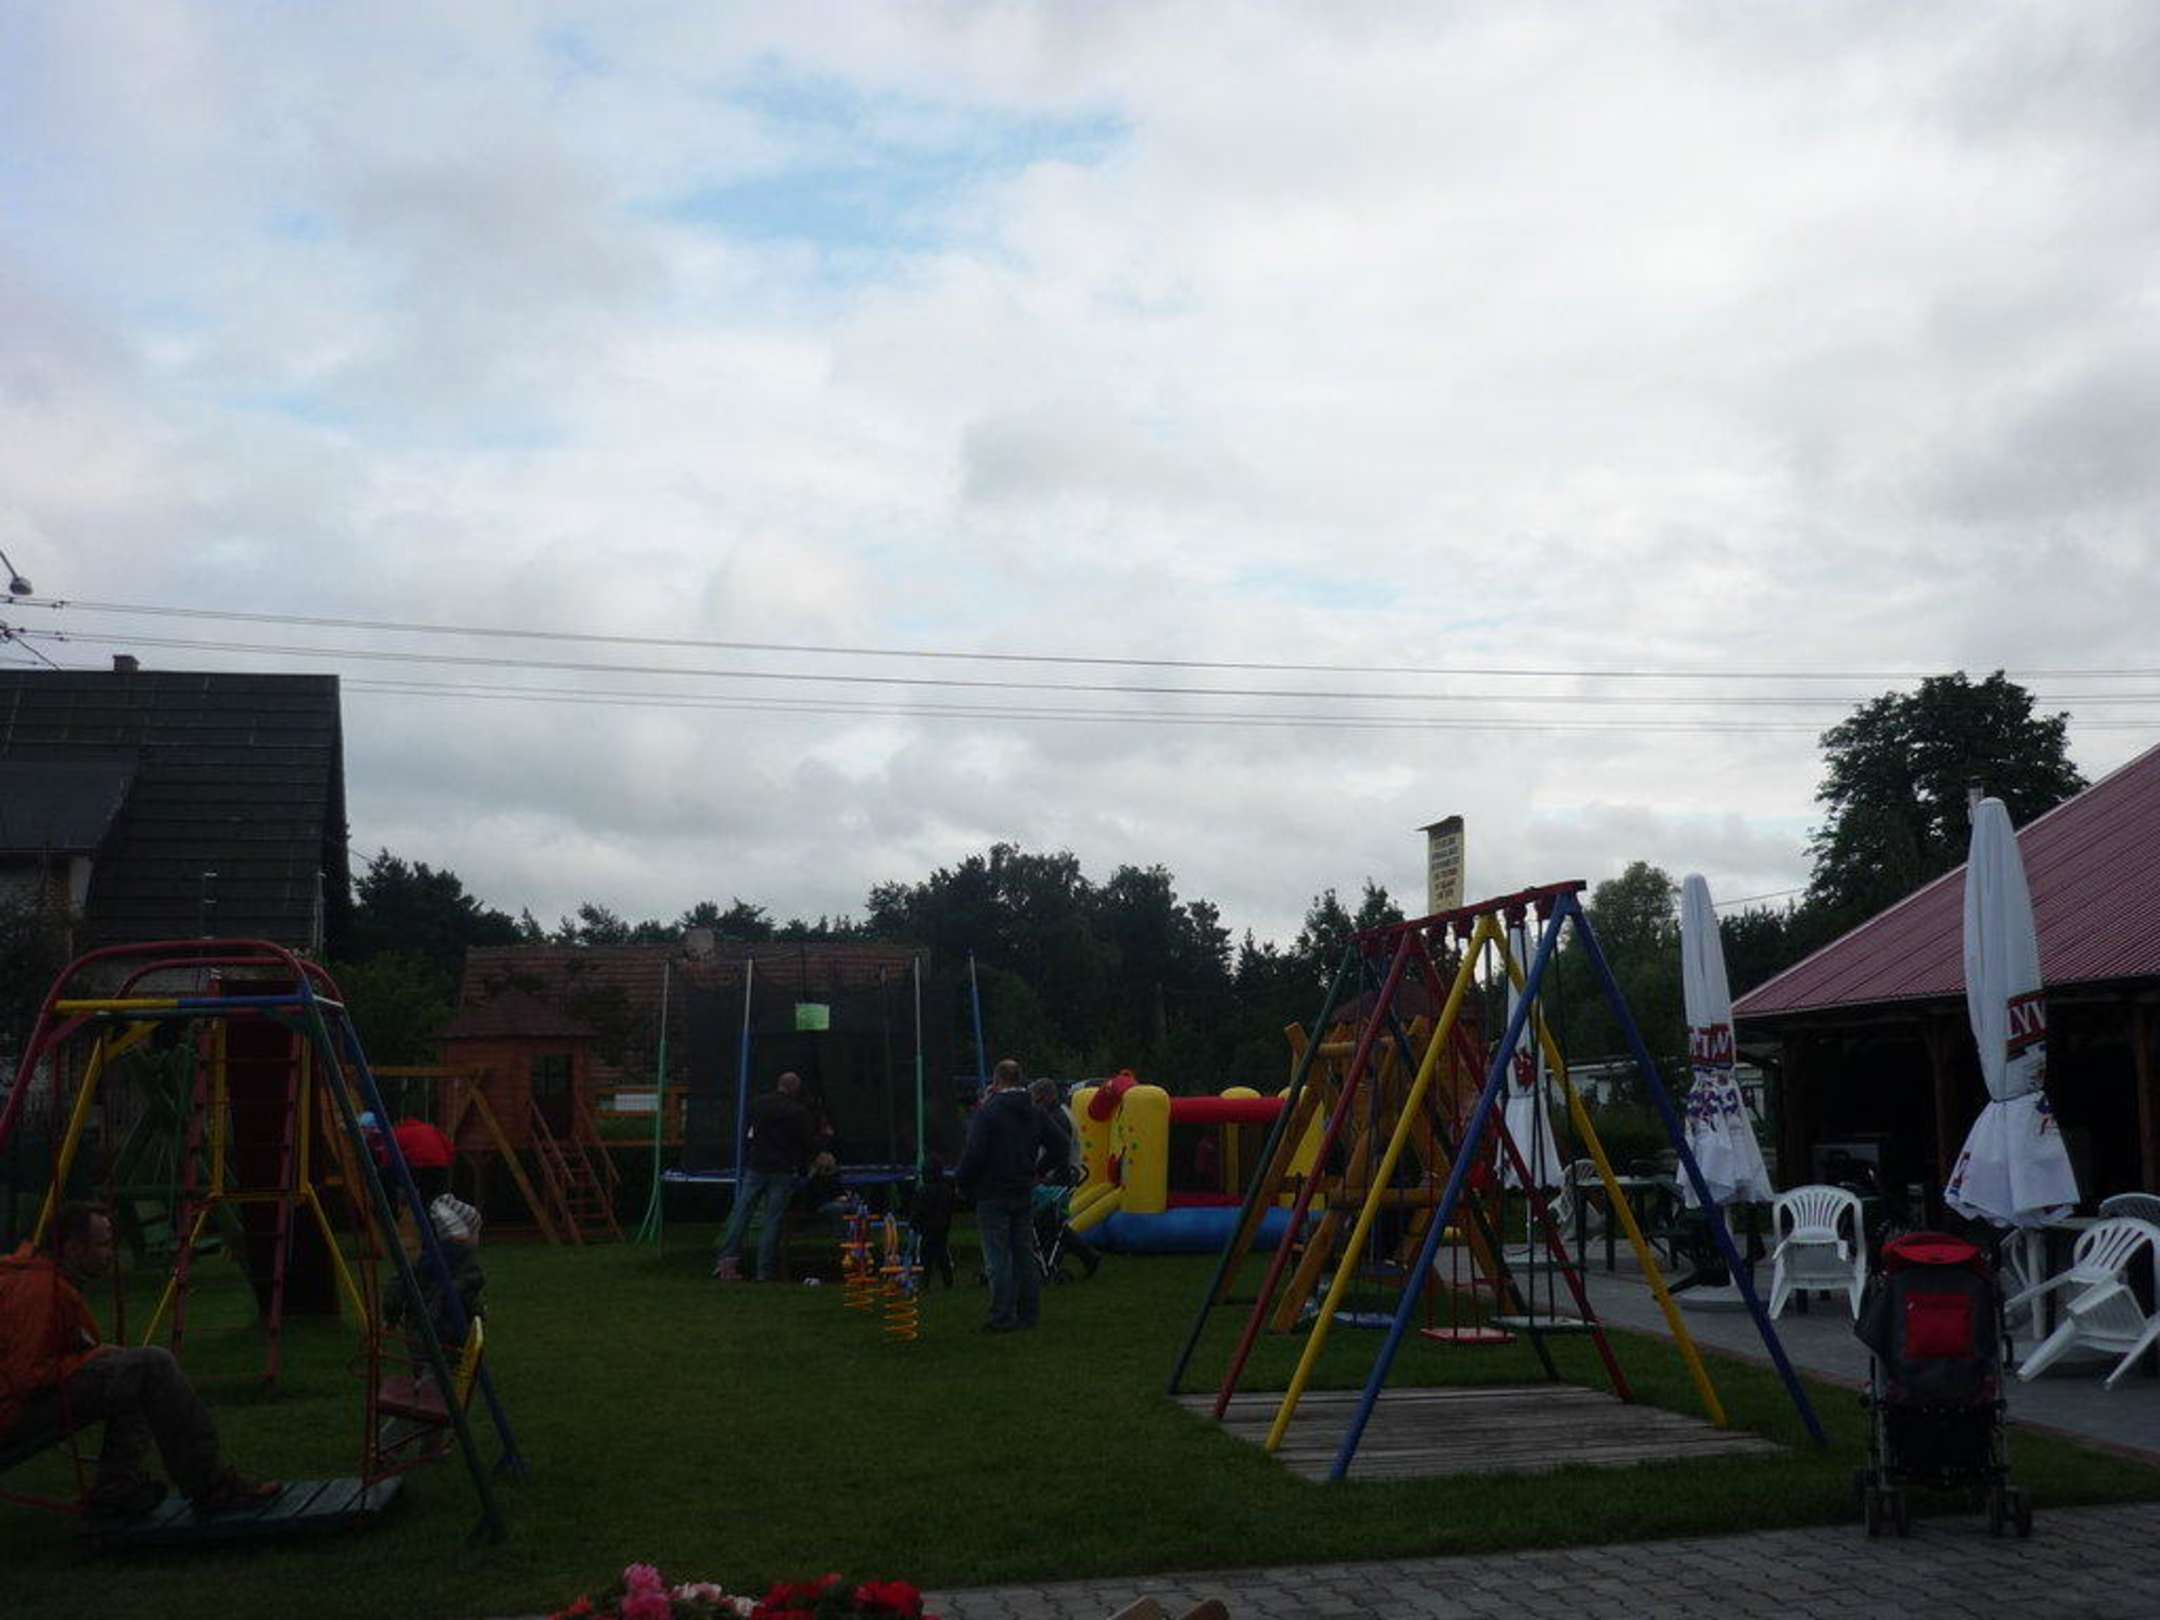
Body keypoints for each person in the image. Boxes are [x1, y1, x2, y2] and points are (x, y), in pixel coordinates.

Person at [0, 1202, 281, 1519]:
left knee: (130, 1373)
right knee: (150, 1366)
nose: (111, 1254)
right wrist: (93, 1358)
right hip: (11, 1415)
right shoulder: (38, 1291)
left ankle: (117, 1487)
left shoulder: (41, 1279)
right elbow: (26, 1377)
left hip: (16, 1406)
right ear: (74, 1249)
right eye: (104, 1245)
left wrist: (96, 1359)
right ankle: (211, 1486)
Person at [955, 1059, 1058, 1332]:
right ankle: (1029, 1314)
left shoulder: (989, 1112)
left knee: (998, 1256)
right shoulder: (1035, 1111)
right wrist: (1037, 1170)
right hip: (1022, 1189)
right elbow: (1059, 1143)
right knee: (1023, 1253)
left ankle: (1002, 1315)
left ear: (996, 1081)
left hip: (992, 1191)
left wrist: (962, 1181)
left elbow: (974, 1153)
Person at [713, 1071, 814, 1282]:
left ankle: (726, 1263)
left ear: (779, 1084)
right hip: (782, 1169)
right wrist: (803, 1170)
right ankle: (764, 1271)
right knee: (772, 1220)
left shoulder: (758, 1104)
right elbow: (805, 1143)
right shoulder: (797, 1111)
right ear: (795, 1088)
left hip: (757, 1165)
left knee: (742, 1213)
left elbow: (747, 1132)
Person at [1026, 1078, 1101, 1282]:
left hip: (1058, 1175)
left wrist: (1043, 1174)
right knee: (1055, 1223)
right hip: (1063, 1173)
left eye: (1036, 1099)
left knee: (1048, 1222)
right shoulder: (1061, 1113)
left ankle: (1055, 1262)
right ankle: (1087, 1256)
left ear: (1045, 1097)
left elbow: (1059, 1150)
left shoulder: (1057, 1118)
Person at [909, 1156, 957, 1288]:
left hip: (927, 1229)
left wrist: (915, 1225)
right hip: (942, 1228)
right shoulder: (946, 1191)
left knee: (926, 1257)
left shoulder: (923, 1192)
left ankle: (925, 1281)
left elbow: (917, 1211)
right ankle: (948, 1281)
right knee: (943, 1255)